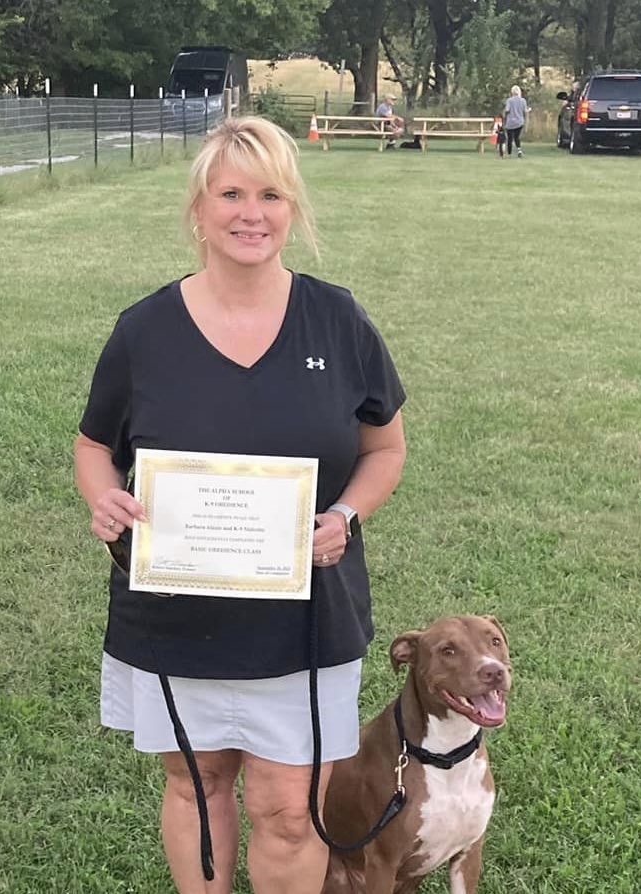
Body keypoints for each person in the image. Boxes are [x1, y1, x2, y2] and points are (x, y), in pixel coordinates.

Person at [73, 115, 407, 894]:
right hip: (176, 612)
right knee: (197, 783)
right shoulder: (145, 330)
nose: (250, 213)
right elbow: (95, 446)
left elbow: (384, 449)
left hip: (306, 616)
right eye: (230, 193)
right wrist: (105, 501)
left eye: (270, 194)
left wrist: (346, 517)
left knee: (291, 810)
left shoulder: (338, 318)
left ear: (292, 208)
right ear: (198, 209)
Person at [501, 85, 529, 157]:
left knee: (510, 138)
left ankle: (509, 153)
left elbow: (507, 110)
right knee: (517, 137)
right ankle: (519, 150)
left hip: (510, 122)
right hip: (520, 122)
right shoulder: (523, 100)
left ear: (512, 92)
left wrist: (504, 114)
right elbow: (525, 111)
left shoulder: (509, 100)